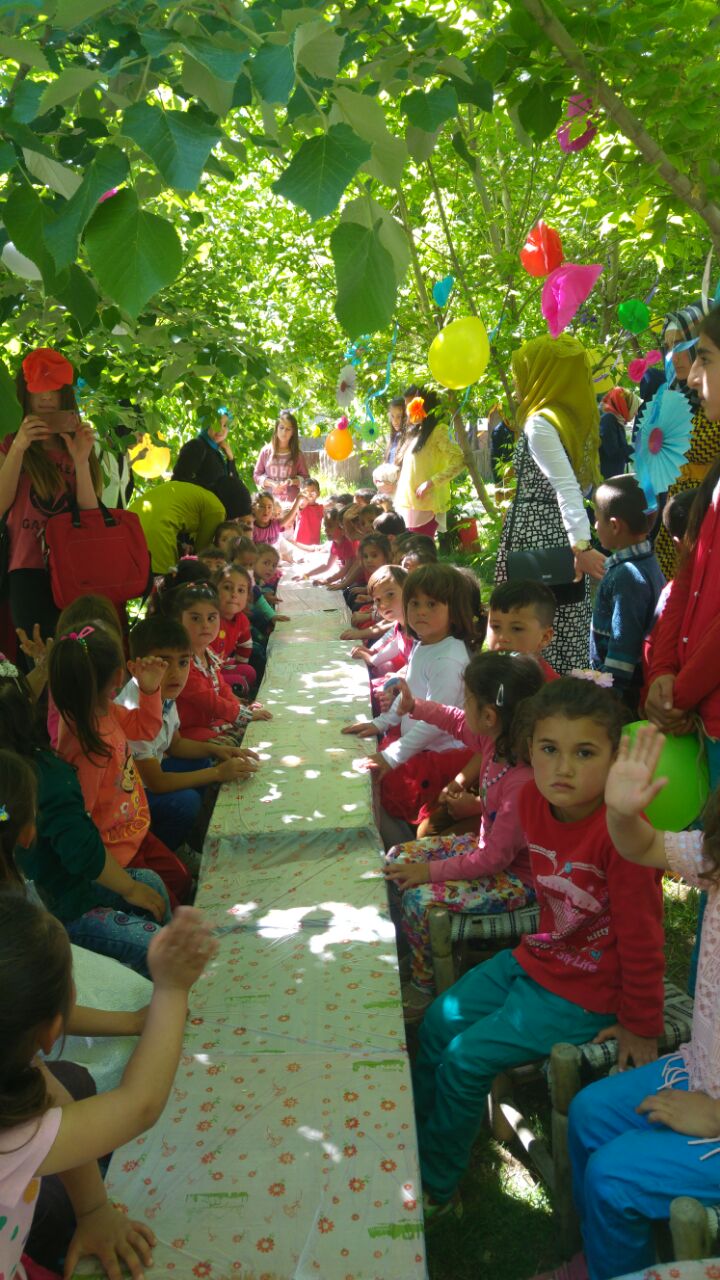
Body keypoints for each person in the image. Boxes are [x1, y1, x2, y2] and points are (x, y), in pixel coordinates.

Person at [413, 677, 664, 1222]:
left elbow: (645, 936)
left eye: (585, 753)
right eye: (549, 750)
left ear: (615, 758)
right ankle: (419, 1136)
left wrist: (641, 1024)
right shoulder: (530, 799)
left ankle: (436, 1189)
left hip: (586, 993)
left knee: (462, 1060)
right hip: (537, 960)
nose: (564, 768)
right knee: (436, 1024)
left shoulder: (624, 835)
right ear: (529, 751)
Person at [550, 724, 720, 1280]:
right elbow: (644, 847)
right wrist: (621, 813)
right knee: (589, 1113)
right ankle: (610, 1250)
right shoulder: (716, 859)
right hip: (702, 1071)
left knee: (612, 1176)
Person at [0, 893, 215, 1280]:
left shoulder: (14, 1066)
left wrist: (94, 1211)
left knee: (73, 1080)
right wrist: (172, 989)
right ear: (51, 1030)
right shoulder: (13, 1139)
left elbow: (56, 1106)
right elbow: (140, 1105)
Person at [383, 653, 545, 1018]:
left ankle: (425, 986)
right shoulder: (496, 741)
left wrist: (428, 873)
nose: (462, 705)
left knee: (417, 900)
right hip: (488, 854)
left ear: (489, 716)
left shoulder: (522, 783)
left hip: (518, 881)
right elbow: (455, 721)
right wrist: (414, 706)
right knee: (396, 858)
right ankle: (418, 944)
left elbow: (494, 860)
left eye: (467, 697)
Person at [0, 666, 170, 977]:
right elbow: (84, 851)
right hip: (60, 911)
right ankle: (158, 999)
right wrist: (128, 888)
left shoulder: (33, 772)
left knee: (151, 884)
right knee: (156, 945)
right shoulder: (42, 781)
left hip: (65, 885)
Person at [49, 625, 192, 908]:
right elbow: (82, 819)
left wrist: (150, 689)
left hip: (135, 831)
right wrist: (122, 884)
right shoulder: (89, 746)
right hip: (117, 853)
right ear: (118, 676)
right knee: (167, 905)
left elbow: (145, 728)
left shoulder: (103, 710)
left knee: (182, 881)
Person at [342, 565, 481, 842]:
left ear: (453, 610)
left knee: (386, 788)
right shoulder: (427, 643)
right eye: (414, 603)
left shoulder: (447, 659)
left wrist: (391, 756)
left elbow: (435, 724)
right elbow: (410, 699)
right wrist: (380, 723)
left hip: (438, 754)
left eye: (432, 604)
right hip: (417, 742)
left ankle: (402, 846)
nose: (421, 611)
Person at [495, 334, 606, 674]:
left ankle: (537, 698)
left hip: (539, 540)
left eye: (521, 375)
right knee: (554, 622)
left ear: (544, 374)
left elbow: (567, 487)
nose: (516, 387)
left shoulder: (540, 423)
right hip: (555, 537)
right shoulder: (566, 421)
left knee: (531, 622)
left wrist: (582, 546)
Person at [117, 615, 259, 855]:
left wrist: (217, 750)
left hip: (149, 779)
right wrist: (217, 773)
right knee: (186, 801)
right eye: (162, 663)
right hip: (127, 796)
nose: (175, 673)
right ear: (135, 667)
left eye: (183, 663)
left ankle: (192, 831)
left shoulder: (166, 695)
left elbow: (177, 745)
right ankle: (167, 850)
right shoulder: (133, 710)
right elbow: (156, 783)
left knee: (202, 760)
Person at [0, 347, 102, 640]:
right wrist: (19, 446)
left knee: (75, 661)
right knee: (39, 661)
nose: (45, 397)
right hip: (26, 568)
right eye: (38, 390)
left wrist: (81, 461)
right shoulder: (11, 444)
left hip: (75, 566)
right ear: (26, 395)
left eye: (53, 390)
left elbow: (90, 514)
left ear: (65, 395)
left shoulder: (79, 442)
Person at [653, 304, 720, 579]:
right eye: (668, 346)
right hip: (677, 519)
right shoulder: (670, 398)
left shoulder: (714, 405)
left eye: (682, 343)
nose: (674, 356)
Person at [590, 474, 665, 712]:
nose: (594, 525)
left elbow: (624, 640)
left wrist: (611, 697)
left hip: (622, 693)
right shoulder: (648, 560)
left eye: (596, 518)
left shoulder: (627, 576)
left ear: (614, 525)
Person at [163, 582, 271, 742]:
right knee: (224, 739)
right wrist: (241, 715)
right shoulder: (181, 662)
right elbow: (209, 701)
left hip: (209, 720)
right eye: (195, 618)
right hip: (187, 728)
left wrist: (239, 708)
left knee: (250, 726)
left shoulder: (208, 652)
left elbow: (222, 687)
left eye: (211, 618)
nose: (205, 625)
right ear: (179, 621)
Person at [393, 390, 465, 538]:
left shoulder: (440, 430)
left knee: (422, 552)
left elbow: (459, 460)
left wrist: (431, 483)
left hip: (427, 504)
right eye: (406, 406)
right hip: (410, 504)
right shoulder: (416, 432)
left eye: (411, 405)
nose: (408, 411)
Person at [129, 480, 226, 574]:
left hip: (129, 526)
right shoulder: (218, 509)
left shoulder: (197, 493)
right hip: (157, 536)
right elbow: (202, 552)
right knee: (163, 583)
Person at [172, 409, 252, 518]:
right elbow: (179, 481)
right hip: (195, 516)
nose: (221, 430)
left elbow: (234, 485)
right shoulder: (197, 446)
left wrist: (230, 459)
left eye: (225, 426)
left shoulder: (216, 452)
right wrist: (212, 493)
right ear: (206, 424)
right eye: (216, 424)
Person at [486, 580, 558, 681]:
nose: (502, 638)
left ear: (545, 637)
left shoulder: (549, 689)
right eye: (495, 626)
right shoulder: (481, 675)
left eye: (516, 629)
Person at [210, 565, 256, 694]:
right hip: (203, 675)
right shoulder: (210, 619)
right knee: (239, 683)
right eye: (227, 588)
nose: (234, 594)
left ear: (248, 597)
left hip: (219, 666)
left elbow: (245, 645)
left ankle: (240, 700)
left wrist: (239, 665)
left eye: (241, 590)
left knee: (249, 672)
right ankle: (234, 706)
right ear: (214, 591)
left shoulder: (241, 619)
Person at [252, 410, 309, 502]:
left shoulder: (297, 454)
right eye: (281, 427)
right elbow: (256, 476)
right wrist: (272, 483)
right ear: (276, 429)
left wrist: (290, 482)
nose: (284, 432)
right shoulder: (266, 451)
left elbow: (306, 478)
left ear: (293, 432)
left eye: (288, 429)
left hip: (290, 505)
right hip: (269, 506)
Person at [597, 387, 638, 480]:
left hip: (613, 477)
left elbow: (622, 452)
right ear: (624, 405)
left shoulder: (617, 421)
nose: (635, 413)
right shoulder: (609, 420)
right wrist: (637, 447)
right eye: (634, 408)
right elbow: (613, 452)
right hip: (606, 479)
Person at [385, 397, 406, 465]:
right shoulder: (393, 437)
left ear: (405, 416)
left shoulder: (408, 438)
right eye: (392, 416)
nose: (394, 421)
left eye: (399, 416)